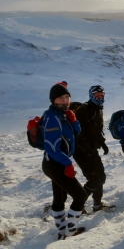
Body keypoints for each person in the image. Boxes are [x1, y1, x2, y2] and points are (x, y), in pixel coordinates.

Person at [42, 81, 89, 239]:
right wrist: (68, 163)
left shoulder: (63, 115)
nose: (65, 100)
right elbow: (51, 148)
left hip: (59, 162)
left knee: (60, 197)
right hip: (54, 163)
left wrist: (74, 120)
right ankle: (70, 230)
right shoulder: (52, 118)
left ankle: (62, 229)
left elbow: (78, 133)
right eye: (61, 98)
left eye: (67, 97)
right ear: (53, 100)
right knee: (81, 196)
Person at [72, 85, 115, 212]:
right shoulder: (84, 111)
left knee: (101, 177)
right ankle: (78, 207)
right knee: (94, 180)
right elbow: (78, 135)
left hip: (91, 150)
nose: (100, 98)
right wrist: (87, 151)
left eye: (102, 95)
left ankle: (97, 204)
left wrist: (102, 143)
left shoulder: (98, 110)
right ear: (91, 96)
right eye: (97, 96)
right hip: (81, 152)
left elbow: (96, 132)